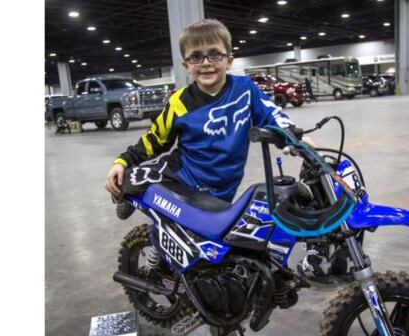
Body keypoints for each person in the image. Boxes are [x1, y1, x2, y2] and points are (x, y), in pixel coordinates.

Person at [104, 19, 302, 206]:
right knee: (123, 180)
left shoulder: (245, 89)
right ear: (186, 66)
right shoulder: (178, 102)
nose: (206, 62)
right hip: (181, 175)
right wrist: (123, 161)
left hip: (223, 187)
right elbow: (155, 140)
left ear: (229, 60)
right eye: (196, 56)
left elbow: (272, 115)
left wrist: (293, 137)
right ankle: (128, 197)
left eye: (215, 54)